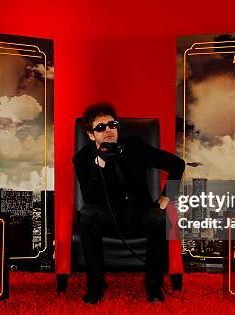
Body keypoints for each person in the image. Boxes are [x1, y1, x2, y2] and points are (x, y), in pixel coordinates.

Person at [73, 103, 185, 304]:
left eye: (112, 124)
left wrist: (165, 198)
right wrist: (100, 164)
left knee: (159, 218)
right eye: (100, 127)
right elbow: (89, 196)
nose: (108, 130)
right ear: (91, 135)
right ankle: (96, 285)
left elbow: (178, 165)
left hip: (138, 215)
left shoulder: (135, 146)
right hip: (108, 218)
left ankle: (153, 286)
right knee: (87, 214)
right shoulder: (82, 158)